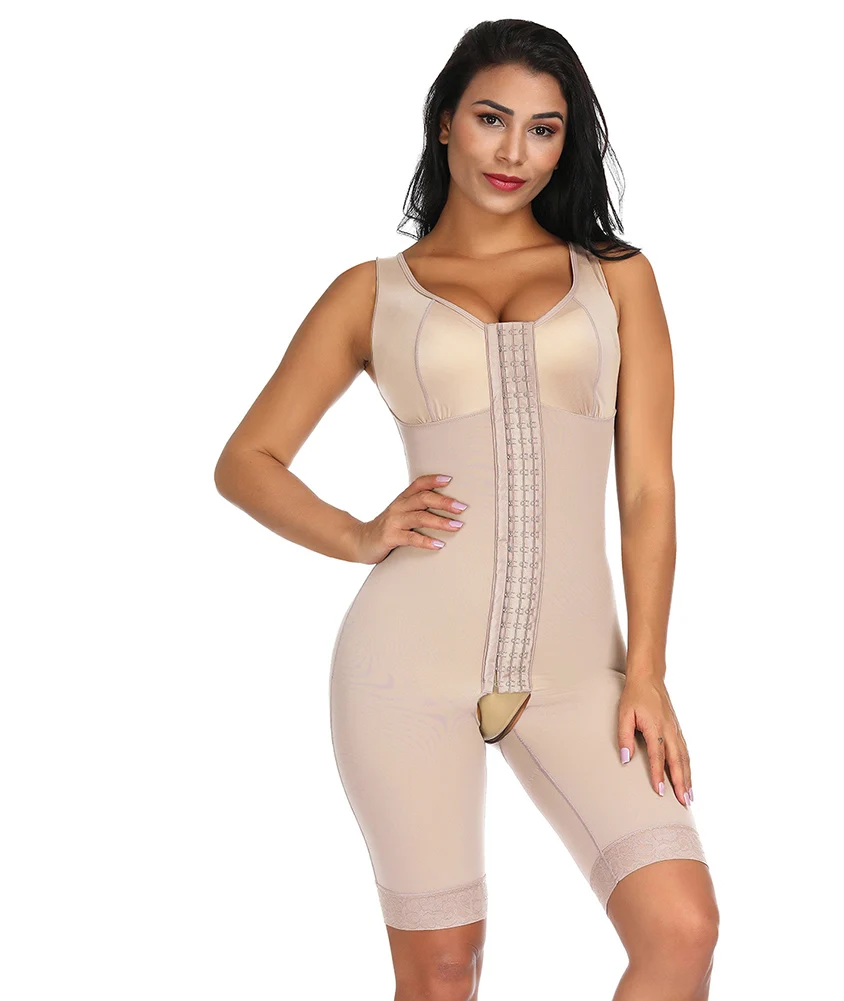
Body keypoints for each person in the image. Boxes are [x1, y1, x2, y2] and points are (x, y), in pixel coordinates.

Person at [215, 18, 720, 1001]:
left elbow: (647, 489)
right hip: (404, 666)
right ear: (444, 120)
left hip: (581, 672)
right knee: (444, 970)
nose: (512, 151)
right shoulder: (370, 293)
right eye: (491, 118)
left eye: (543, 129)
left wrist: (647, 671)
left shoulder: (615, 276)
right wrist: (357, 533)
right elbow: (247, 461)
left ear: (565, 145)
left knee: (682, 928)